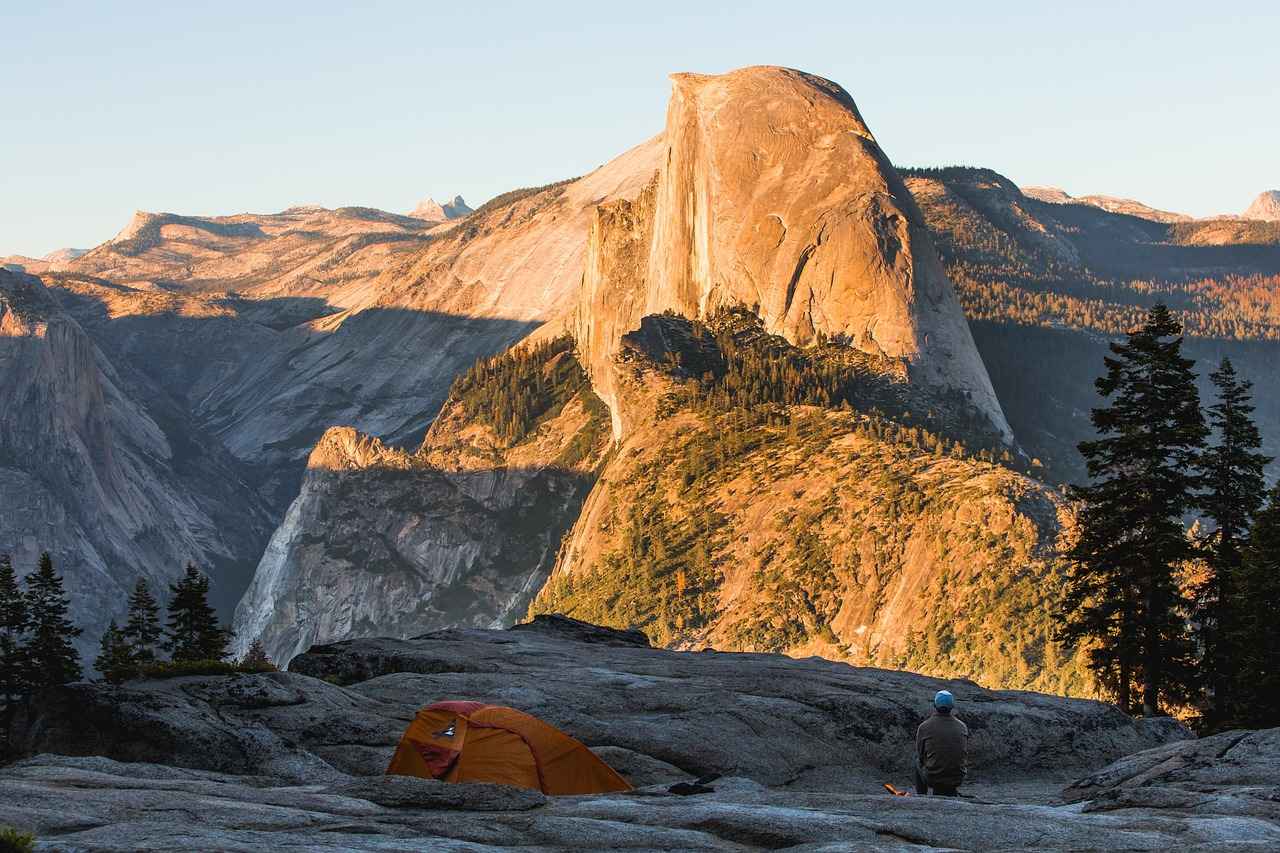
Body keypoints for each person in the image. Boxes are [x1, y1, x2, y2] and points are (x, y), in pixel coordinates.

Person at [915, 690, 968, 796]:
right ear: (952, 707)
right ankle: (951, 790)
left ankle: (921, 796)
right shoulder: (962, 726)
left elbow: (920, 755)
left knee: (916, 762)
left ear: (934, 705)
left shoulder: (925, 726)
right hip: (958, 778)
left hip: (934, 779)